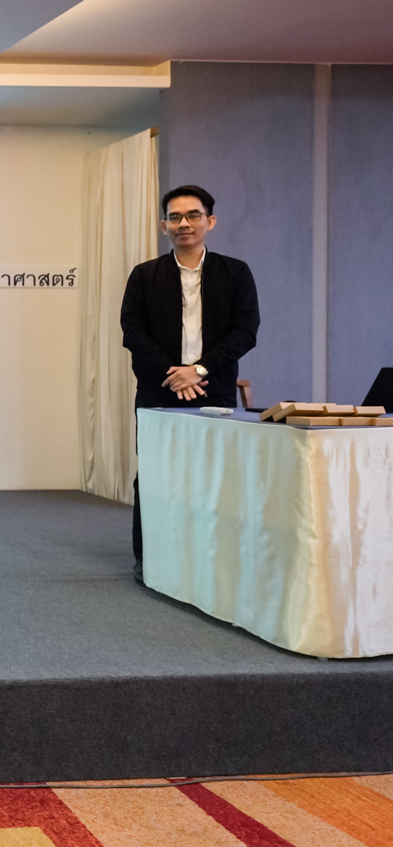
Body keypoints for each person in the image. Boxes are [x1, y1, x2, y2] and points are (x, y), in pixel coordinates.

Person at [120, 184, 259, 581]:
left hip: (213, 389)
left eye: (193, 215)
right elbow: (133, 332)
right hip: (158, 389)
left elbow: (245, 331)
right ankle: (150, 557)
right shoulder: (145, 275)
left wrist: (197, 370)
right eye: (175, 217)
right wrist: (174, 373)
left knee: (213, 476)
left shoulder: (235, 272)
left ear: (210, 221)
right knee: (155, 475)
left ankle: (211, 557)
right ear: (163, 225)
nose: (184, 223)